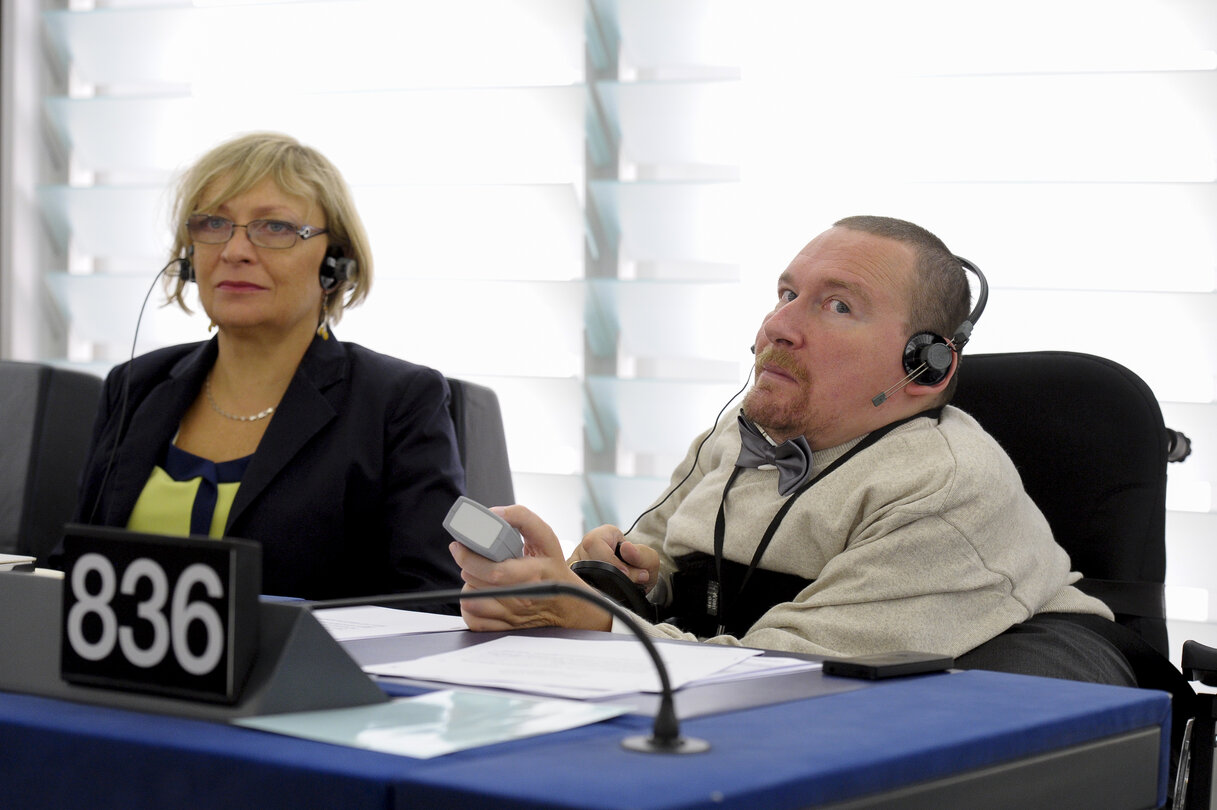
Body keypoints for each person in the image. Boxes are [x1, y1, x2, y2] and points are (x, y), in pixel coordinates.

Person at [452, 215, 1135, 685]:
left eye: (837, 306)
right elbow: (654, 567)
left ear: (926, 367)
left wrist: (598, 625)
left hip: (1008, 696)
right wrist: (614, 578)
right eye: (785, 294)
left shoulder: (940, 488)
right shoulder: (741, 436)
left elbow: (792, 685)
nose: (776, 326)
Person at [66, 131, 465, 601]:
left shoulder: (396, 402)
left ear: (335, 263)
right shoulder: (135, 385)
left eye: (274, 227)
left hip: (315, 672)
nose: (234, 251)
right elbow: (71, 571)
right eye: (213, 223)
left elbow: (430, 602)